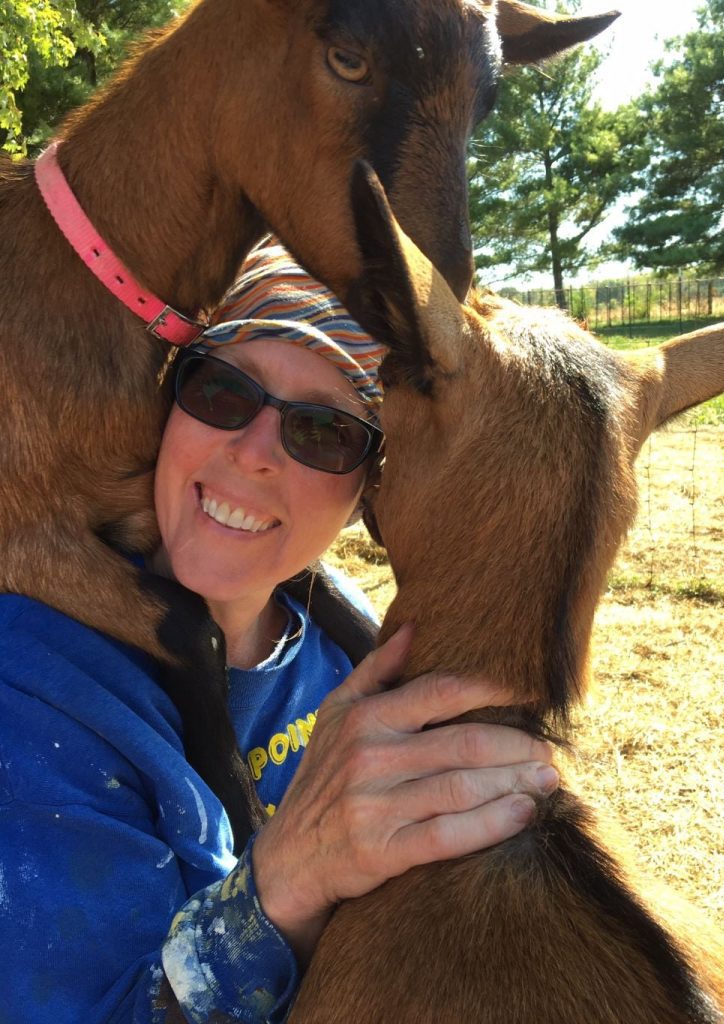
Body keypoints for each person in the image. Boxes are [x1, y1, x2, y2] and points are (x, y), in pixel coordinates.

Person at [0, 246, 558, 1023]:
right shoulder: (34, 692)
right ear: (169, 406)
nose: (253, 453)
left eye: (324, 431)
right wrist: (287, 881)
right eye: (223, 391)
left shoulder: (354, 643)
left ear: (369, 490)